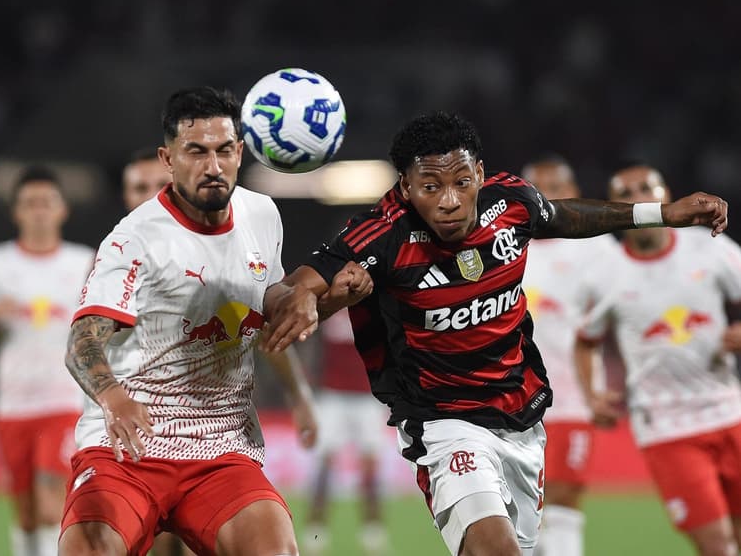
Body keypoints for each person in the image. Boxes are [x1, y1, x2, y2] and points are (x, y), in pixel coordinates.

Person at [260, 111, 729, 556]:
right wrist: (305, 296)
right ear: (405, 186)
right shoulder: (383, 233)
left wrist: (663, 213)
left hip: (521, 415)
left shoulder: (511, 203)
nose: (449, 200)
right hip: (445, 423)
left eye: (461, 182)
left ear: (480, 174)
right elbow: (292, 287)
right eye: (430, 186)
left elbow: (566, 215)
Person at [58, 87, 364, 556]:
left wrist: (327, 298)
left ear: (241, 150)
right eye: (196, 152)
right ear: (168, 158)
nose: (213, 165)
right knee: (88, 549)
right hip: (130, 449)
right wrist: (114, 398)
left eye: (224, 150)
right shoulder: (134, 239)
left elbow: (267, 317)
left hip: (221, 452)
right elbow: (82, 341)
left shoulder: (262, 215)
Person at [119, 146, 319, 556]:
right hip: (140, 445)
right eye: (139, 187)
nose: (149, 195)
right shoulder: (113, 267)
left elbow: (256, 328)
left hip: (210, 442)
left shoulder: (217, 261)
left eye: (158, 185)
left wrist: (299, 396)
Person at [575, 163, 741, 556]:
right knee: (718, 547)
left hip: (730, 412)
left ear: (665, 196)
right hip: (665, 426)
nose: (638, 198)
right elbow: (585, 341)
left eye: (646, 188)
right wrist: (592, 394)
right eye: (625, 193)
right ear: (614, 208)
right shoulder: (604, 274)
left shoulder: (709, 247)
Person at [0, 167, 94, 556]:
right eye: (29, 203)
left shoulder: (84, 262)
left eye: (46, 203)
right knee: (24, 509)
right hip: (13, 402)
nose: (38, 211)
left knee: (49, 496)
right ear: (15, 212)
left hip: (65, 399)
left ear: (62, 211)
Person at [520, 157, 617, 556]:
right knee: (518, 508)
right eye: (537, 188)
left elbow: (635, 303)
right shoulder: (506, 245)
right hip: (510, 400)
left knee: (562, 499)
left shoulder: (597, 247)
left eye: (556, 187)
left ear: (573, 191)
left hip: (572, 398)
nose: (547, 196)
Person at [304, 309, 389, 555]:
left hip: (368, 397)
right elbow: (312, 342)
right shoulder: (330, 305)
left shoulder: (373, 308)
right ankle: (316, 529)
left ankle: (373, 531)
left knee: (370, 466)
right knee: (324, 464)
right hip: (333, 395)